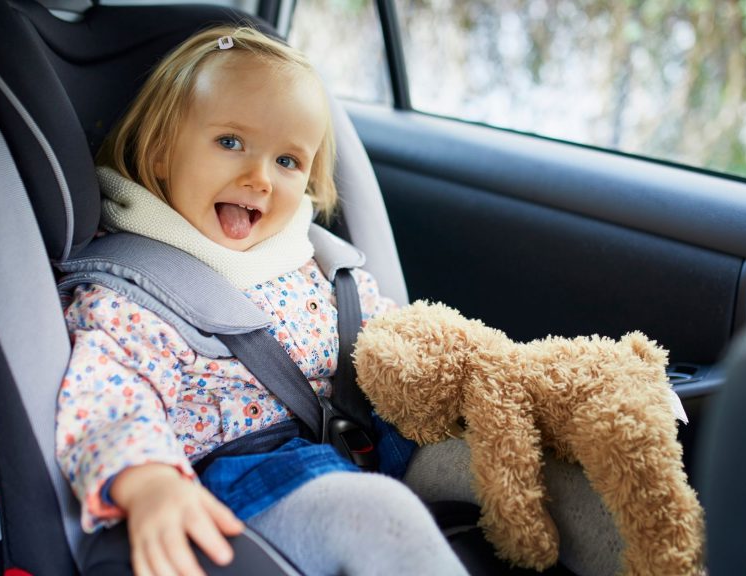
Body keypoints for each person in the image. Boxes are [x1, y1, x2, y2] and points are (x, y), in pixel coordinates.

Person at [54, 25, 468, 576]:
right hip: (245, 480)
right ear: (158, 153)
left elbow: (386, 338)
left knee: (496, 460)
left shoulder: (314, 258)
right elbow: (112, 398)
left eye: (288, 162)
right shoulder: (131, 292)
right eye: (230, 143)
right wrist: (148, 481)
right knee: (378, 516)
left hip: (366, 444)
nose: (259, 178)